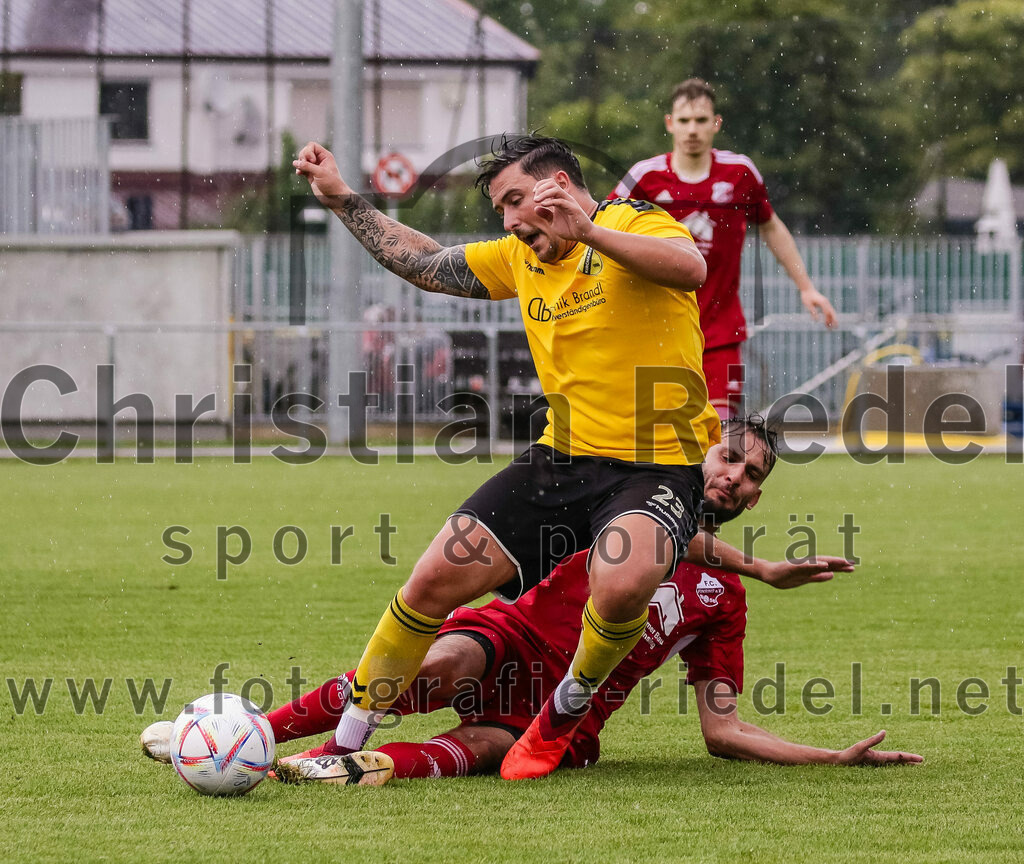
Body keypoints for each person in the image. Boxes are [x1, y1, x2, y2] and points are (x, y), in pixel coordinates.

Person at [140, 418, 921, 782]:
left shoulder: (721, 601)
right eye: (730, 458)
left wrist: (830, 758)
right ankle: (229, 737)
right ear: (701, 451)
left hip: (559, 716)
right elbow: (665, 538)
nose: (736, 479)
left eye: (754, 476)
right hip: (509, 639)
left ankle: (336, 768)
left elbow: (723, 730)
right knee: (439, 666)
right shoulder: (629, 497)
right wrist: (762, 564)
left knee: (487, 749)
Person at [289, 134, 721, 780]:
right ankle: (346, 740)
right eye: (501, 210)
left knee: (625, 583)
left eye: (518, 201)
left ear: (564, 187)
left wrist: (591, 233)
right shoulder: (522, 258)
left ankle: (561, 717)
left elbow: (690, 269)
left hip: (658, 466)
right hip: (562, 457)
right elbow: (429, 264)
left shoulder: (631, 220)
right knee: (432, 581)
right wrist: (345, 200)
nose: (511, 222)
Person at [611, 78, 839, 419]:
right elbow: (602, 231)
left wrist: (806, 287)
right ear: (670, 123)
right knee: (662, 439)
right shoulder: (644, 177)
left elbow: (771, 226)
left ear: (716, 124)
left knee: (720, 438)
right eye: (684, 121)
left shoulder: (739, 173)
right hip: (657, 332)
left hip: (720, 332)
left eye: (701, 120)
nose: (692, 130)